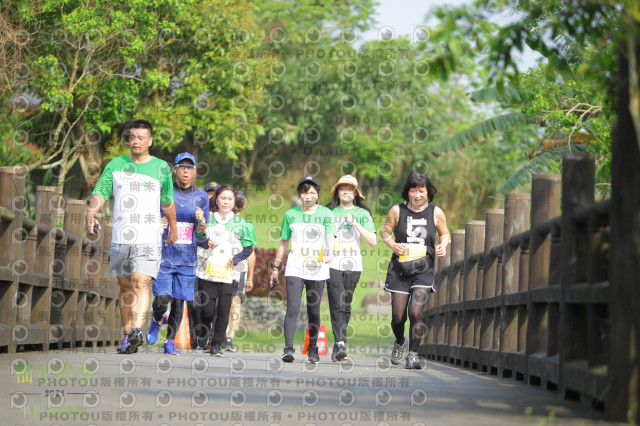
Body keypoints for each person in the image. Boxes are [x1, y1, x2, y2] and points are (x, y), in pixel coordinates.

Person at [86, 119, 178, 354]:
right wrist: (91, 211)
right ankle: (128, 335)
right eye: (132, 137)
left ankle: (137, 328)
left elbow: (167, 203)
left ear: (150, 141)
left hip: (149, 236)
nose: (135, 141)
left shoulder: (162, 168)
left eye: (140, 137)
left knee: (141, 281)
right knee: (125, 287)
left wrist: (174, 228)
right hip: (121, 236)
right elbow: (101, 192)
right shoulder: (116, 164)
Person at [381, 171, 450, 369]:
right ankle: (400, 341)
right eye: (413, 190)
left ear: (428, 192)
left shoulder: (436, 212)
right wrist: (393, 245)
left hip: (423, 268)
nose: (418, 195)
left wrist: (443, 245)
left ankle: (413, 355)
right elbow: (385, 232)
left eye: (422, 190)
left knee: (415, 311)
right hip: (400, 269)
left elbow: (445, 233)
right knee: (397, 316)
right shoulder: (397, 210)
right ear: (407, 191)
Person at [145, 153, 209, 355]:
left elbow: (201, 234)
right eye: (182, 167)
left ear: (195, 171)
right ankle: (156, 319)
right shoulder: (165, 193)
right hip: (164, 256)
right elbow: (148, 223)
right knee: (162, 299)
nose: (185, 171)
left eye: (189, 168)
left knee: (179, 301)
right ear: (174, 169)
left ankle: (170, 341)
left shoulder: (201, 197)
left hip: (187, 258)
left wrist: (201, 222)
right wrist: (159, 224)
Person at [270, 176, 335, 363]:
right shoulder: (291, 215)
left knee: (314, 310)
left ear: (318, 194)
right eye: (305, 192)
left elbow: (330, 235)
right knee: (292, 308)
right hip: (295, 267)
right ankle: (288, 348)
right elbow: (283, 242)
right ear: (299, 194)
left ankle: (313, 349)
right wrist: (275, 267)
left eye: (313, 192)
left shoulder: (326, 214)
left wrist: (330, 252)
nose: (309, 196)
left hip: (318, 268)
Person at [195, 185, 255, 356]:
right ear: (217, 199)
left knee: (223, 310)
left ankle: (216, 345)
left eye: (230, 198)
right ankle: (205, 331)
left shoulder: (243, 224)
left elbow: (248, 249)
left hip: (230, 273)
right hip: (208, 271)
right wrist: (206, 242)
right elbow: (198, 239)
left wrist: (235, 259)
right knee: (207, 310)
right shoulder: (207, 218)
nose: (226, 201)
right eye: (223, 198)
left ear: (234, 201)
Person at [325, 175, 377, 362]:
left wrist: (355, 223)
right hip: (332, 263)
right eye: (342, 188)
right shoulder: (327, 212)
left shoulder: (363, 214)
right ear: (337, 192)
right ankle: (340, 343)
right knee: (336, 303)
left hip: (353, 264)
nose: (345, 191)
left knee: (345, 304)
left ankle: (339, 341)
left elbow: (373, 241)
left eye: (349, 188)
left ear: (355, 193)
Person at [223, 190, 256, 352]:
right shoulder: (218, 221)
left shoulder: (244, 225)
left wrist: (250, 277)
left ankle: (230, 338)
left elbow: (250, 252)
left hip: (239, 269)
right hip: (219, 268)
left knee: (235, 305)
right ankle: (219, 335)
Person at [189, 181, 219, 351]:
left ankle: (211, 338)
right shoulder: (197, 213)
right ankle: (197, 331)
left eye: (215, 194)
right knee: (194, 302)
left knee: (212, 303)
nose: (212, 197)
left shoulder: (223, 217)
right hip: (196, 260)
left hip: (215, 264)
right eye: (209, 193)